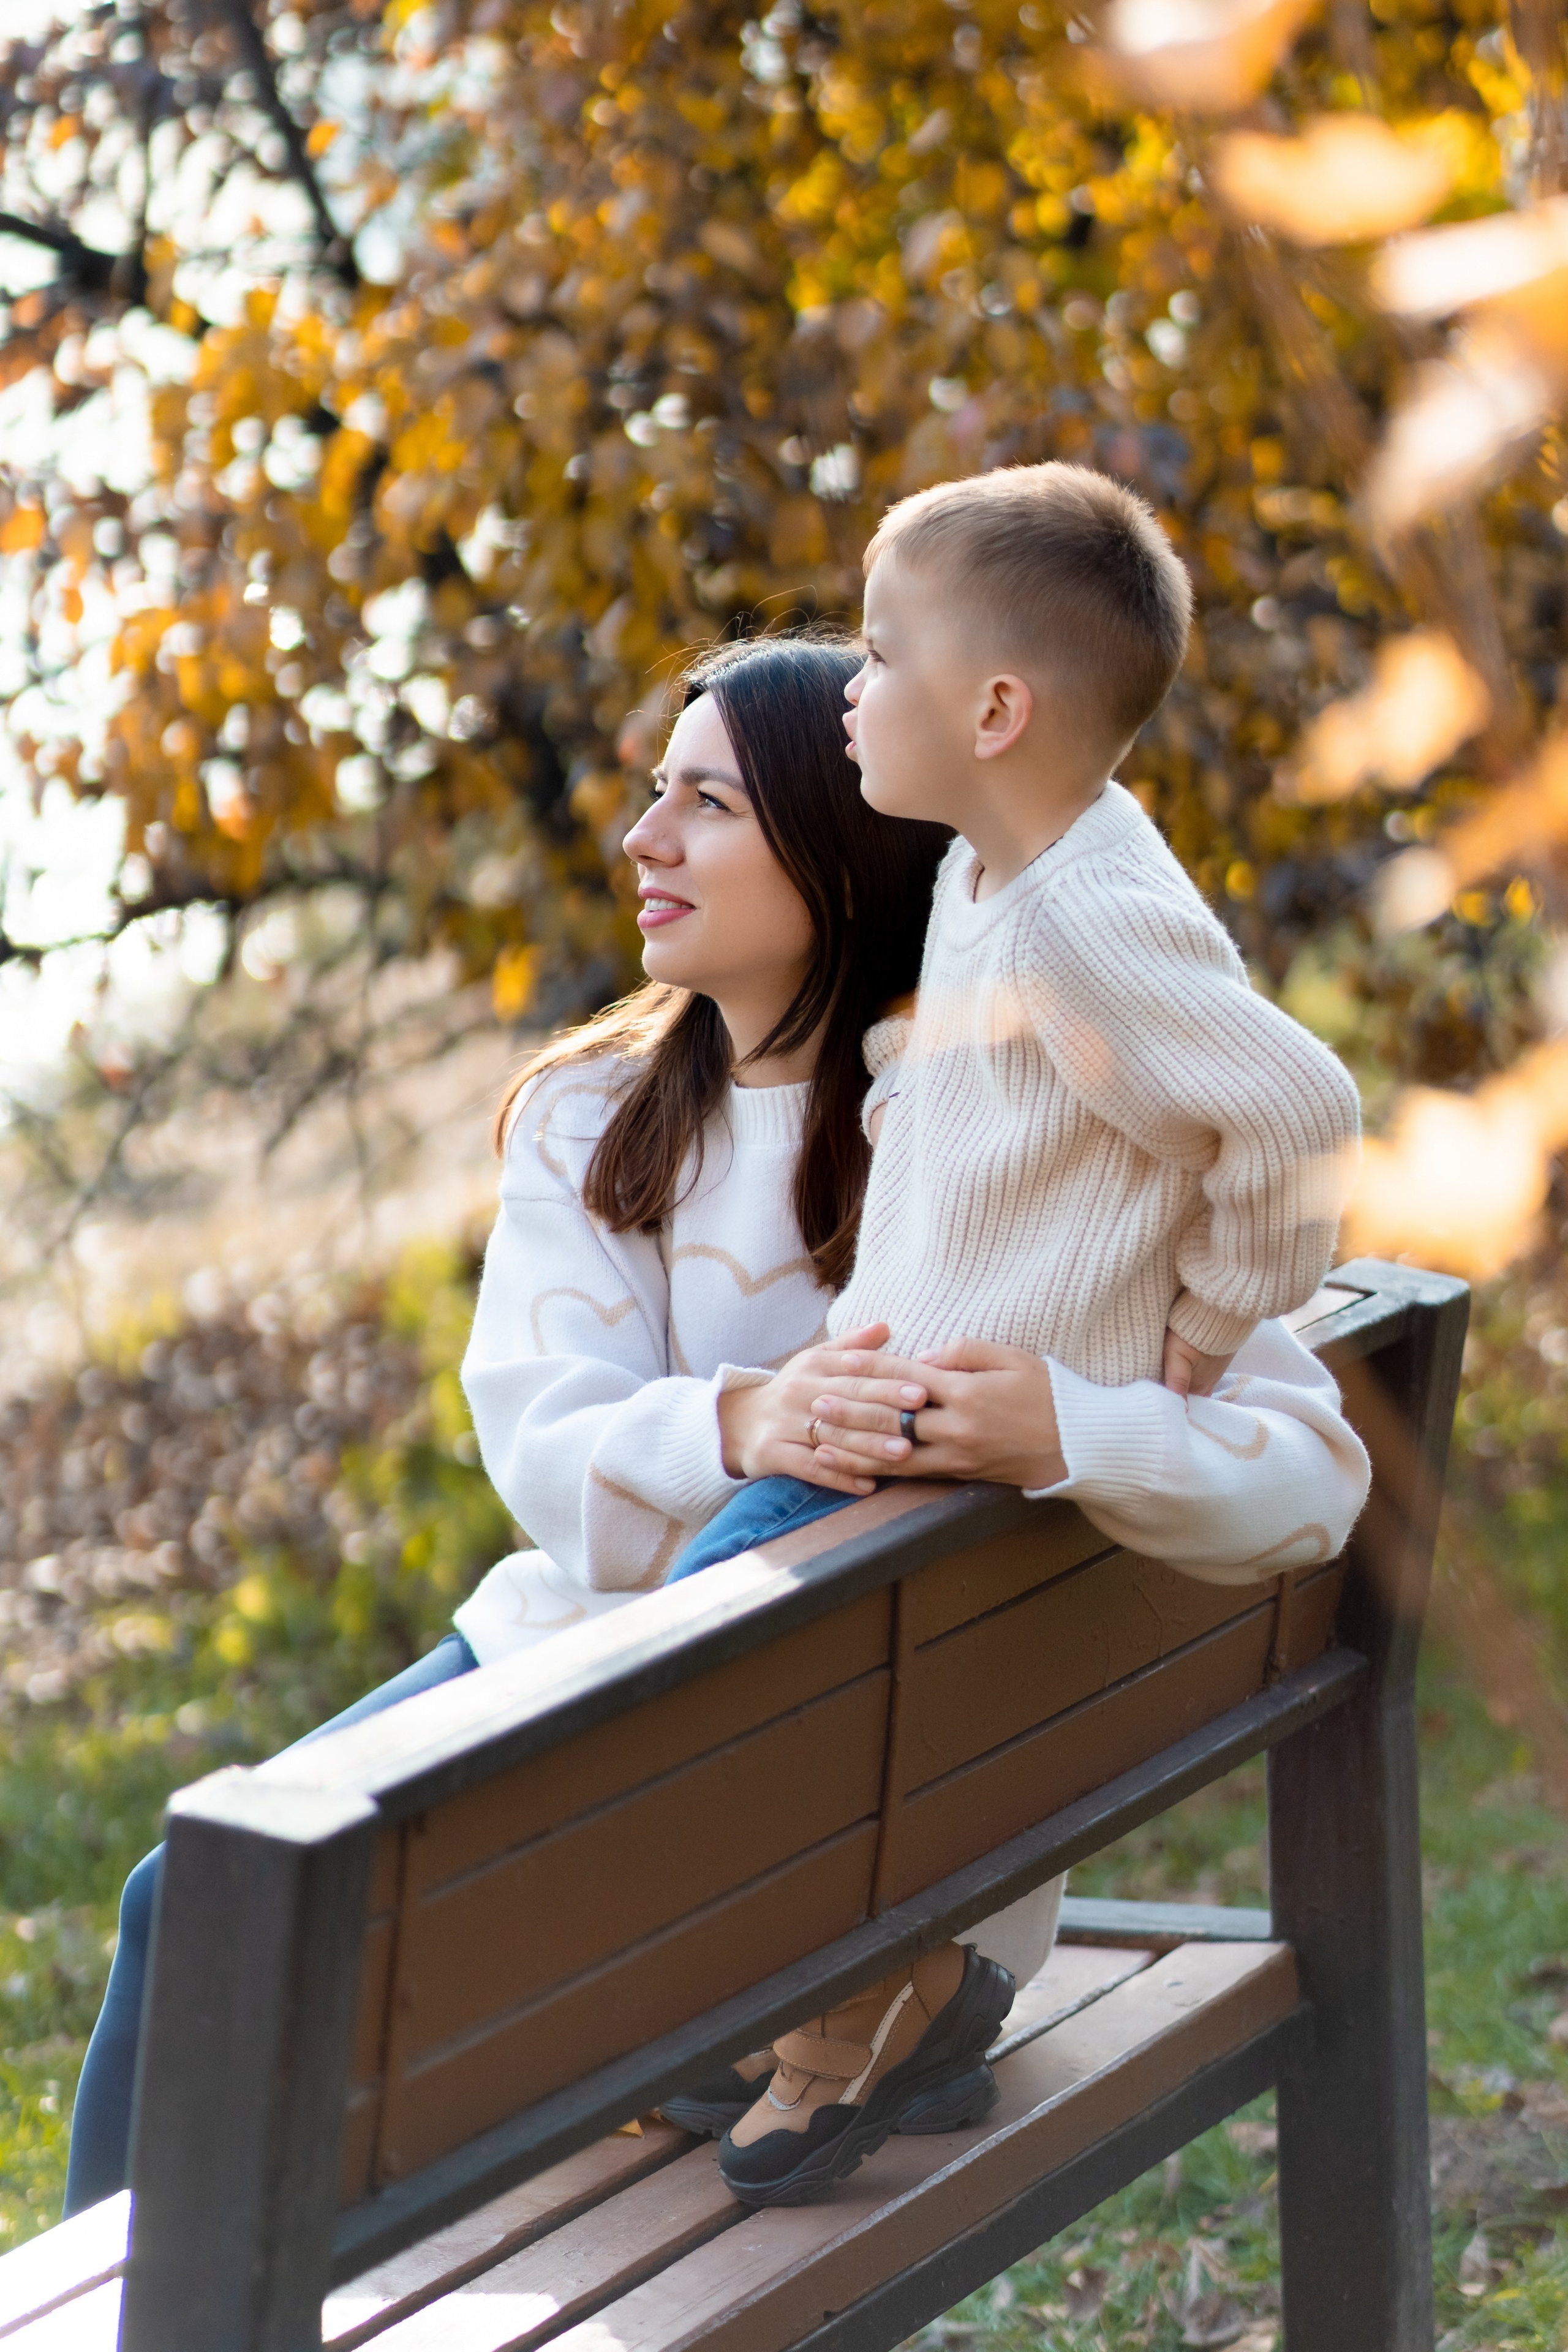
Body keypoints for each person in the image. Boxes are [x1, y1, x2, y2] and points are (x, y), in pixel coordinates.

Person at [63, 630, 1371, 2221]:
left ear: (854, 840)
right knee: (193, 1900)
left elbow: (1314, 1473)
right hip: (616, 1687)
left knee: (256, 1936)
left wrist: (1067, 1429)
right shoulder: (596, 1116)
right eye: (652, 795)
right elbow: (548, 1453)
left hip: (817, 1846)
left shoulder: (1060, 1133)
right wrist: (747, 1417)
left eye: (709, 804)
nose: (644, 839)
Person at [658, 467, 1365, 2208]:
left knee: (672, 1681)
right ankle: (845, 2009)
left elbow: (1298, 1108)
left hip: (926, 1455)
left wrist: (1203, 1324)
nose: (845, 688)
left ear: (993, 708)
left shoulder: (1077, 915)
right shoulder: (1003, 872)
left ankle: (826, 2005)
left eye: (877, 653)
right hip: (936, 1455)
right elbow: (1047, 1093)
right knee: (760, 1691)